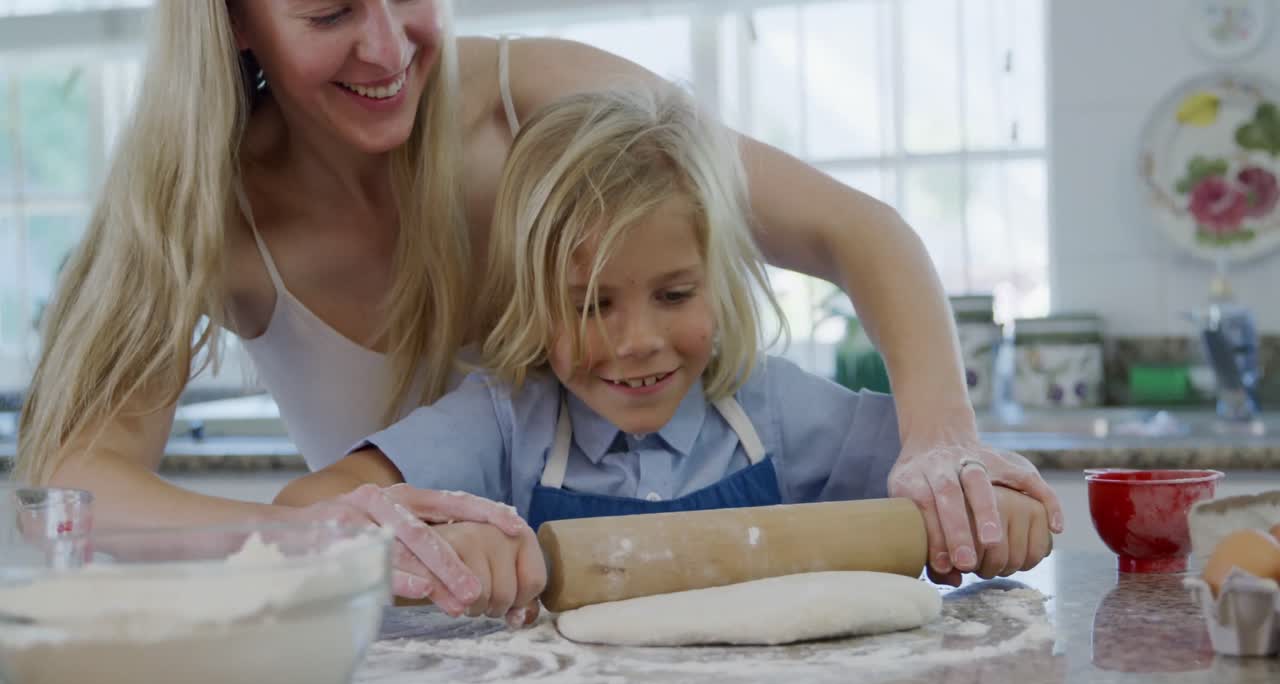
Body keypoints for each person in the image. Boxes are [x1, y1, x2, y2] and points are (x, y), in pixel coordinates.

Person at [15, 0, 1060, 599]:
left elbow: (856, 230)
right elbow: (78, 482)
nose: (386, 49)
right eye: (330, 10)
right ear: (234, 25)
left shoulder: (543, 102)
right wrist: (334, 533)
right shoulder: (199, 206)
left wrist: (939, 444)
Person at [277, 86, 1055, 622]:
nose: (638, 339)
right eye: (591, 304)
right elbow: (302, 513)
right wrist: (439, 547)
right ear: (533, 303)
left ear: (720, 283)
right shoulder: (503, 426)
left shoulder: (774, 412)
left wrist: (995, 516)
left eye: (675, 295)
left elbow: (957, 484)